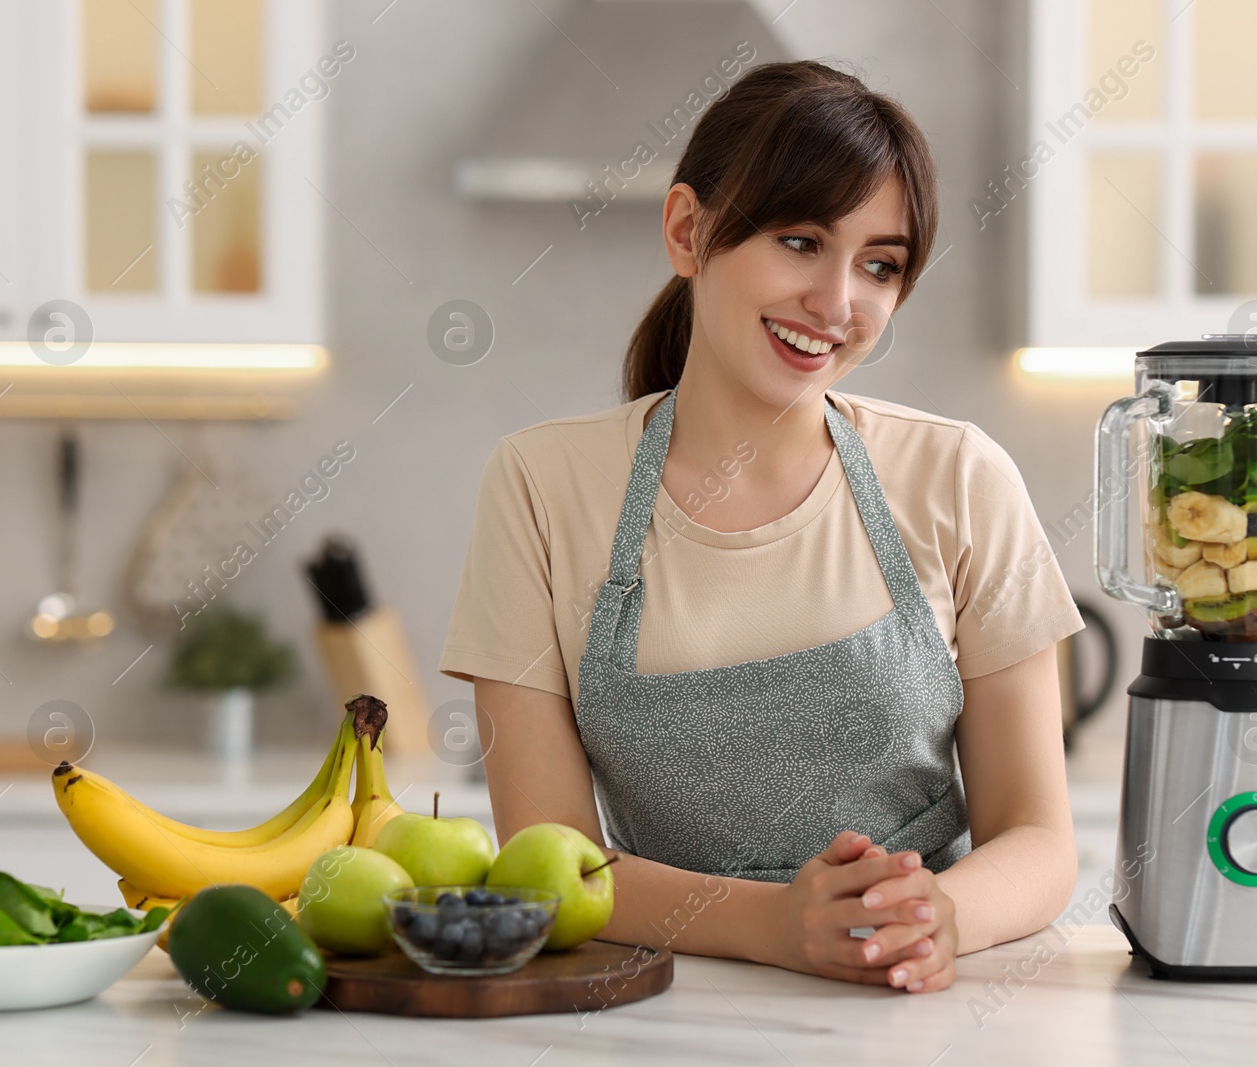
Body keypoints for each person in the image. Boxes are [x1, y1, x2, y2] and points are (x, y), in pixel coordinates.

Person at [440, 60, 1084, 994]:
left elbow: (1039, 838)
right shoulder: (541, 484)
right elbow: (553, 862)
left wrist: (936, 916)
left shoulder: (961, 476)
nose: (837, 304)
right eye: (799, 240)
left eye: (880, 264)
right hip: (662, 1012)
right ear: (688, 231)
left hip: (912, 1003)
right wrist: (779, 926)